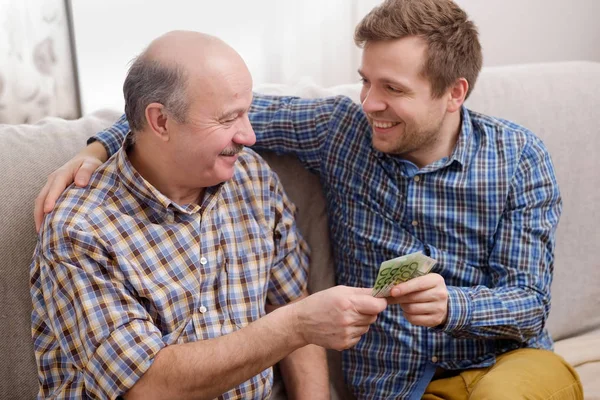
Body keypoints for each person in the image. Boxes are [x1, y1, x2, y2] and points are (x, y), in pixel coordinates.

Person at [34, 0, 584, 399]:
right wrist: (101, 145)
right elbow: (188, 117)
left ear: (454, 92)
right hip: (398, 387)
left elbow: (530, 301)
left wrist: (453, 307)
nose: (369, 102)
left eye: (392, 89)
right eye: (364, 81)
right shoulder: (339, 131)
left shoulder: (518, 158)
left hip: (505, 364)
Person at [30, 31, 389, 400]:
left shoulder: (251, 178)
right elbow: (146, 385)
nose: (248, 135)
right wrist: (294, 327)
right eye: (229, 119)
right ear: (161, 122)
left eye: (247, 113)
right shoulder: (79, 229)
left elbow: (291, 299)